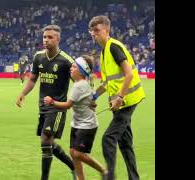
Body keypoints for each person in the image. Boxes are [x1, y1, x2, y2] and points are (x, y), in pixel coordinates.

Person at [88, 15, 146, 180]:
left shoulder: (113, 47)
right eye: (91, 31)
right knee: (125, 144)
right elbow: (107, 82)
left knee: (108, 139)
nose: (93, 33)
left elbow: (128, 74)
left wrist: (120, 97)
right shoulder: (104, 52)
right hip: (121, 103)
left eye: (97, 30)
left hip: (127, 101)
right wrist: (94, 97)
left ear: (107, 30)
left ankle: (109, 177)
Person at [16, 25, 76, 180]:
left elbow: (80, 81)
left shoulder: (66, 61)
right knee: (49, 143)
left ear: (58, 39)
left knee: (45, 140)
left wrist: (84, 99)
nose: (46, 40)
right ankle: (73, 167)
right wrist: (23, 94)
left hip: (57, 107)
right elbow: (33, 79)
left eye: (50, 37)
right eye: (44, 37)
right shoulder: (38, 57)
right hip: (43, 107)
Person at [43, 55, 108, 180]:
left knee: (78, 153)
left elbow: (68, 105)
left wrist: (52, 102)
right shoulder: (83, 82)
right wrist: (94, 98)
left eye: (74, 67)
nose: (71, 69)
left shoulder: (80, 85)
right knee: (73, 153)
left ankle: (103, 171)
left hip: (87, 125)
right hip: (77, 123)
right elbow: (97, 90)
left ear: (82, 70)